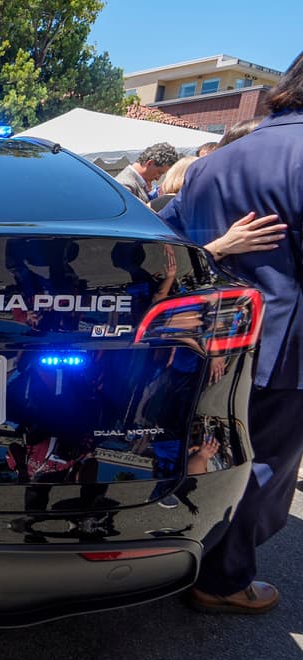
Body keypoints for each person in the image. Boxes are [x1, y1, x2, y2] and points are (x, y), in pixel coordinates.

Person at [158, 50, 303, 615]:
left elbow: (164, 251)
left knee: (209, 452)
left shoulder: (210, 165)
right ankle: (222, 580)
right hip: (282, 347)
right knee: (263, 463)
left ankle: (186, 555)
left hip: (207, 339)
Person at [115, 142, 179, 203]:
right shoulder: (126, 185)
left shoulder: (137, 184)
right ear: (150, 163)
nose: (158, 178)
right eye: (159, 172)